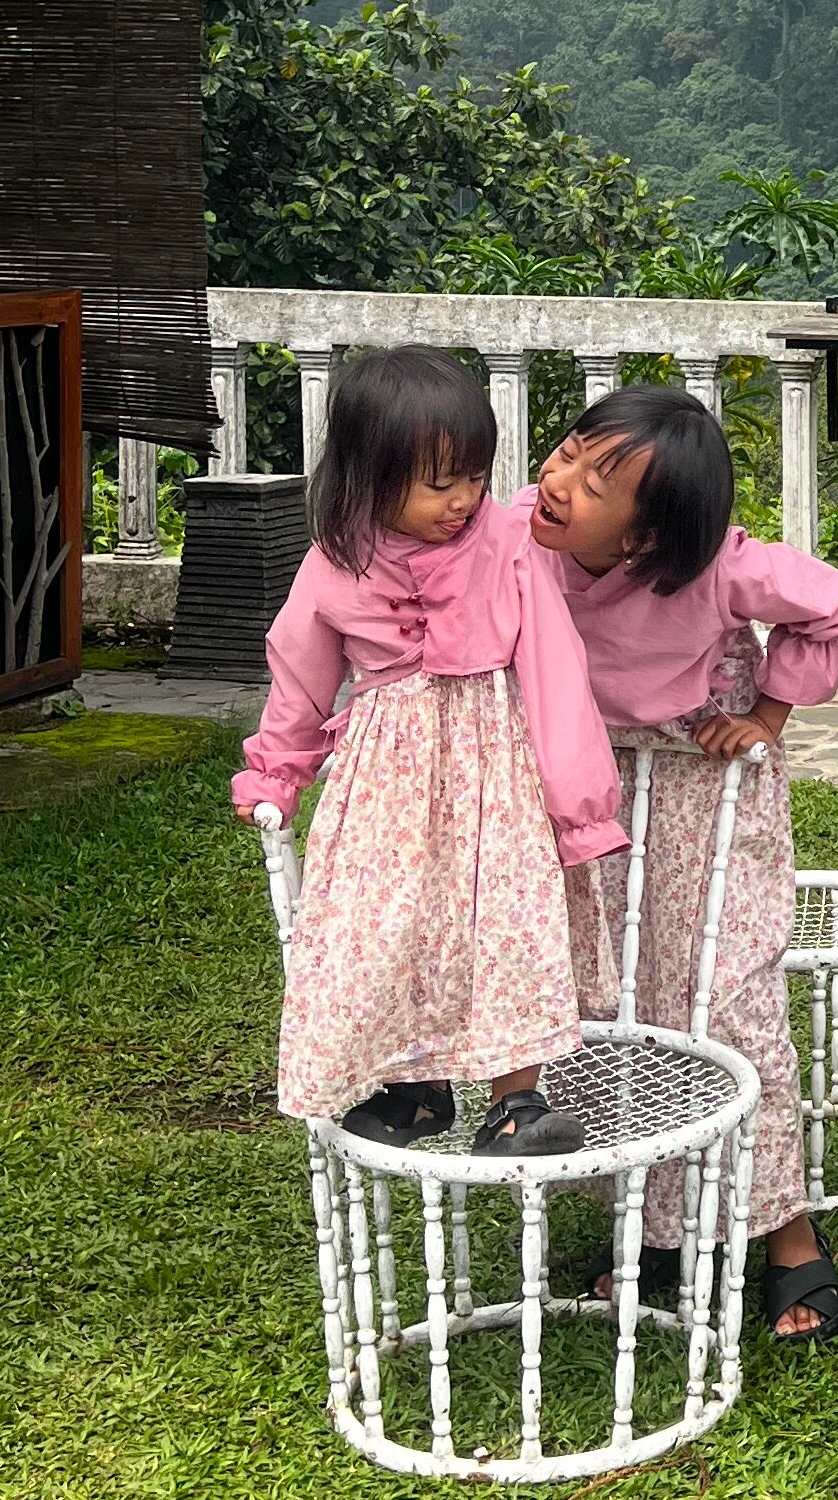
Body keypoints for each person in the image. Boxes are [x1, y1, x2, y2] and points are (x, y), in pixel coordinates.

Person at [521, 384, 838, 1340]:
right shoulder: (517, 537)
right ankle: (657, 1226)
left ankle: (788, 1233)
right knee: (612, 1000)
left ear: (646, 538)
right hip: (587, 793)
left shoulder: (719, 567)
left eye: (599, 482)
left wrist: (765, 715)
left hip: (706, 795)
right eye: (569, 451)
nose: (560, 481)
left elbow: (833, 604)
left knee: (724, 997)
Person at [240, 347, 626, 1154]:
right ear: (368, 477)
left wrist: (577, 799)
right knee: (389, 923)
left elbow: (554, 668)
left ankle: (518, 1099)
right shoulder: (331, 564)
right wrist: (278, 770)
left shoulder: (509, 544)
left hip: (496, 770)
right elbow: (300, 676)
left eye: (475, 477)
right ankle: (415, 1084)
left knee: (504, 921)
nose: (463, 501)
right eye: (438, 482)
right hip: (386, 780)